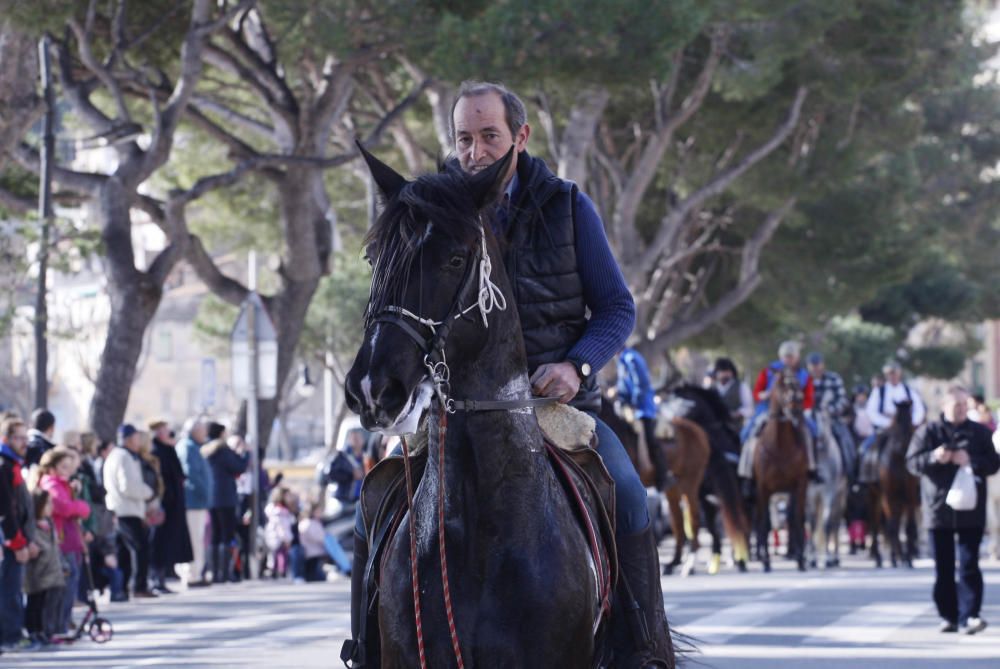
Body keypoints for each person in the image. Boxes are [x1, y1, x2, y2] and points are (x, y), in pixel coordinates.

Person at [348, 80, 670, 668]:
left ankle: (643, 648)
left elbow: (617, 307)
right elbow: (410, 309)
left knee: (627, 494)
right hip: (452, 409)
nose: (475, 151)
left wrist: (577, 365)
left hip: (557, 408)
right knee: (374, 498)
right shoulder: (431, 211)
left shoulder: (567, 205)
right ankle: (367, 650)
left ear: (519, 136)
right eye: (464, 138)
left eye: (489, 136)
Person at [906, 386, 1000, 635]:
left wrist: (971, 461)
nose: (960, 410)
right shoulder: (929, 432)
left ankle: (970, 614)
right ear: (944, 406)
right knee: (944, 567)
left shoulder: (979, 433)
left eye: (963, 405)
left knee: (969, 564)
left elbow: (993, 463)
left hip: (971, 509)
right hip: (939, 509)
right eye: (956, 405)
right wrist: (935, 457)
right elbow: (912, 462)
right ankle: (948, 615)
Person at [737, 341, 820, 482]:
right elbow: (757, 392)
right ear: (781, 357)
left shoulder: (804, 375)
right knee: (748, 432)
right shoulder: (768, 371)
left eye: (791, 357)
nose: (788, 360)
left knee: (811, 431)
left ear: (797, 358)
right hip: (768, 409)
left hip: (795, 411)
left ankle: (811, 466)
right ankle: (747, 470)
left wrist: (797, 407)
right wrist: (764, 395)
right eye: (786, 357)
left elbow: (809, 399)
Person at [38, 448, 91, 634]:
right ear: (51, 468)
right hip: (61, 539)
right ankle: (59, 623)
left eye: (70, 467)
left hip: (70, 537)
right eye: (63, 466)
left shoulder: (65, 484)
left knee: (71, 581)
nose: (67, 471)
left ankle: (65, 620)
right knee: (65, 582)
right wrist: (81, 507)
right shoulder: (51, 484)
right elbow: (64, 507)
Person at [104, 424, 156, 599]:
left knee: (123, 552)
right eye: (136, 437)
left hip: (121, 508)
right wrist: (148, 492)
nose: (139, 441)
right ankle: (138, 586)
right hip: (127, 509)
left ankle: (121, 588)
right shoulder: (124, 456)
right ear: (128, 439)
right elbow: (128, 485)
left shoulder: (118, 455)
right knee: (139, 548)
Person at [0, 417, 39, 652]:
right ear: (6, 439)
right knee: (9, 591)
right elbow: (6, 508)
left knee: (13, 590)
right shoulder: (4, 466)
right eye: (18, 437)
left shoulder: (14, 463)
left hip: (19, 538)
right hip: (10, 540)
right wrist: (17, 541)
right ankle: (10, 636)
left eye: (25, 437)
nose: (24, 442)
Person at [617, 345, 675, 489]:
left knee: (651, 440)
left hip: (643, 408)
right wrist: (622, 400)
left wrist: (633, 403)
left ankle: (663, 476)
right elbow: (623, 386)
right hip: (629, 408)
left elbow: (641, 385)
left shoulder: (632, 358)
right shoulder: (621, 360)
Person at [201, 423, 249, 583]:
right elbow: (238, 467)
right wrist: (245, 454)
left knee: (214, 535)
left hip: (210, 497)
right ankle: (224, 573)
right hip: (226, 496)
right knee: (226, 535)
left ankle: (214, 573)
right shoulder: (222, 450)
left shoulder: (204, 450)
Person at [148, 420, 192, 594]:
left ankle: (162, 576)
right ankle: (155, 578)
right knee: (158, 542)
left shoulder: (168, 450)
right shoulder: (157, 452)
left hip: (173, 503)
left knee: (167, 542)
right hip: (163, 503)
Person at [806, 352, 857, 481]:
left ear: (823, 365)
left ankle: (849, 473)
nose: (815, 368)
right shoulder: (804, 380)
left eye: (817, 365)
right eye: (812, 365)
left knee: (846, 440)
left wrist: (830, 411)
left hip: (832, 419)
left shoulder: (834, 378)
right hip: (809, 420)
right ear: (808, 367)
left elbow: (842, 400)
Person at [24, 489, 65, 646]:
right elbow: (41, 547)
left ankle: (45, 631)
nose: (51, 506)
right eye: (47, 503)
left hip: (51, 571)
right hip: (38, 573)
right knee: (35, 603)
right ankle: (33, 631)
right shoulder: (32, 527)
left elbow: (55, 547)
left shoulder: (49, 523)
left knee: (46, 605)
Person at [176, 417, 213, 587]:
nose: (205, 433)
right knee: (193, 538)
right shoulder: (187, 447)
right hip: (192, 500)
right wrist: (203, 492)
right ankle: (191, 573)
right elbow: (191, 474)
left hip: (198, 502)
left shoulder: (195, 448)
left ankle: (196, 572)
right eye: (202, 430)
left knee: (197, 538)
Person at [710, 357, 754, 435]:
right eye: (721, 371)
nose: (724, 374)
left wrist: (737, 413)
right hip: (714, 430)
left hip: (735, 429)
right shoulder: (711, 389)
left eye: (726, 371)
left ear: (732, 372)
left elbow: (749, 409)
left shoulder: (741, 387)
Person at [325, 429, 366, 505]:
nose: (356, 441)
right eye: (354, 439)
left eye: (358, 438)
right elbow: (331, 474)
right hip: (345, 500)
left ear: (362, 440)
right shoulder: (341, 457)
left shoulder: (367, 456)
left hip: (364, 500)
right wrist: (351, 475)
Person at [296, 501, 328, 582]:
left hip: (313, 550)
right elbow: (317, 536)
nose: (320, 513)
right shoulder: (310, 523)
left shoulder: (314, 522)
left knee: (313, 568)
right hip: (312, 551)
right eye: (318, 511)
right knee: (313, 569)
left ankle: (310, 577)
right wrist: (325, 539)